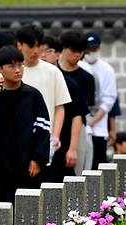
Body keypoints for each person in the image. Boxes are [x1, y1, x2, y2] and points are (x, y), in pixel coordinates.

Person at [0, 46, 50, 203]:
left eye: (20, 65)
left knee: (25, 213)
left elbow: (43, 128)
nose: (18, 70)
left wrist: (37, 159)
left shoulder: (32, 95)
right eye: (12, 66)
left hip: (25, 165)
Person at [16, 24, 71, 161]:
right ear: (20, 45)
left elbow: (59, 107)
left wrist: (55, 136)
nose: (35, 51)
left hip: (44, 140)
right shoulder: (13, 72)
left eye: (39, 46)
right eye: (31, 46)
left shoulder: (53, 72)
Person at [40, 35, 89, 182]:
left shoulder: (68, 83)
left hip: (62, 141)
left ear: (58, 54)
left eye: (48, 51)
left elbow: (77, 115)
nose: (43, 55)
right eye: (40, 51)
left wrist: (73, 148)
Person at [79, 31, 118, 170]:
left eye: (93, 49)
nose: (91, 53)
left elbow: (109, 99)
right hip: (79, 125)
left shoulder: (107, 70)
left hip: (98, 126)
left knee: (96, 165)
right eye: (88, 50)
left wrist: (92, 122)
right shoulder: (80, 67)